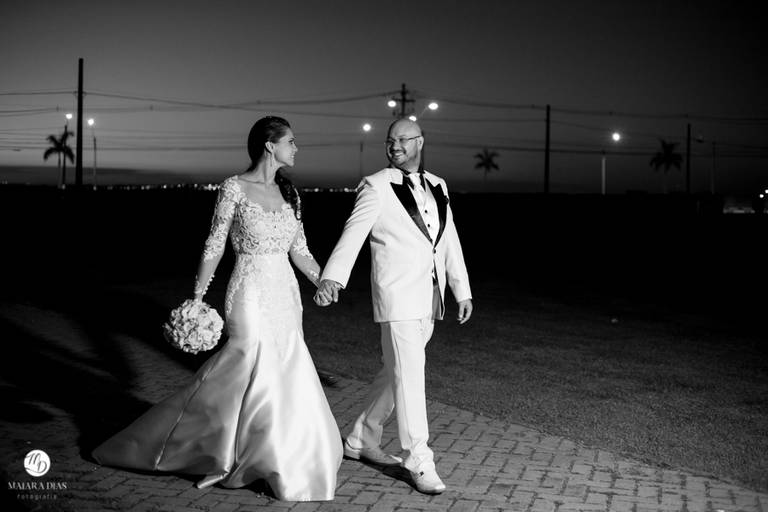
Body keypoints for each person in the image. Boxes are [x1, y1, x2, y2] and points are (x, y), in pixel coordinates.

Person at [92, 116, 342, 502]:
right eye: (291, 141)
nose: (297, 147)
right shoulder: (233, 188)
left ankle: (273, 455)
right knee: (247, 360)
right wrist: (197, 297)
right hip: (248, 290)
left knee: (286, 369)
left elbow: (300, 250)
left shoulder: (291, 194)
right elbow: (215, 245)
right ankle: (204, 447)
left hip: (285, 294)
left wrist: (324, 280)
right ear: (269, 145)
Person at [314, 118, 473, 494]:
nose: (395, 145)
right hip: (397, 295)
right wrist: (333, 276)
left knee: (396, 372)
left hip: (430, 297)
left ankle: (360, 439)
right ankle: (419, 458)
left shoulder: (439, 184)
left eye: (403, 139)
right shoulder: (376, 185)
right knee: (411, 376)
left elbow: (447, 238)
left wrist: (461, 289)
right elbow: (353, 231)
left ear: (420, 142)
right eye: (390, 140)